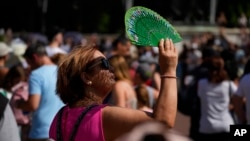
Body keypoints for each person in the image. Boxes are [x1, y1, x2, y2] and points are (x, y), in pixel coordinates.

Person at [49, 38, 178, 141]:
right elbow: (163, 122)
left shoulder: (59, 117)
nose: (111, 69)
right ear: (86, 77)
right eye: (104, 64)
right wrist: (169, 69)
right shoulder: (103, 116)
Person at [17, 43, 64, 141]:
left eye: (29, 63)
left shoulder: (36, 75)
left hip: (41, 131)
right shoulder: (61, 71)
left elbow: (33, 105)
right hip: (60, 129)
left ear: (34, 57)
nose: (29, 67)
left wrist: (19, 103)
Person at [197, 56, 237, 141]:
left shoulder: (201, 84)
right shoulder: (229, 85)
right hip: (225, 125)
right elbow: (240, 99)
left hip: (206, 126)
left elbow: (200, 97)